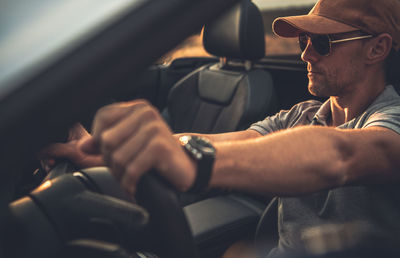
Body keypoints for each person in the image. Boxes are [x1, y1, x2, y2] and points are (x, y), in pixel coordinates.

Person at [40, 0, 400, 256]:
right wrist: (107, 149)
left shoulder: (392, 120)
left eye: (322, 43)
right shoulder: (301, 115)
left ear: (377, 49)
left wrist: (197, 163)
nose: (306, 55)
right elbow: (215, 142)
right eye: (303, 41)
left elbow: (342, 155)